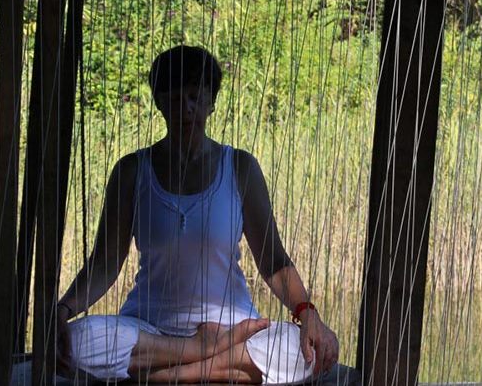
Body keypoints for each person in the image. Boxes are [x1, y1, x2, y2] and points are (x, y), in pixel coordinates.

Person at [54, 45, 339, 384]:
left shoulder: (239, 168)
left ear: (211, 101)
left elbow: (274, 261)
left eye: (194, 97)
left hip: (233, 325)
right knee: (75, 341)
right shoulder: (132, 172)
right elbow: (105, 263)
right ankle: (199, 353)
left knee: (307, 351)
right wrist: (62, 310)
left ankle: (170, 374)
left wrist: (307, 314)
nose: (186, 110)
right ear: (158, 102)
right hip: (149, 325)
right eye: (174, 98)